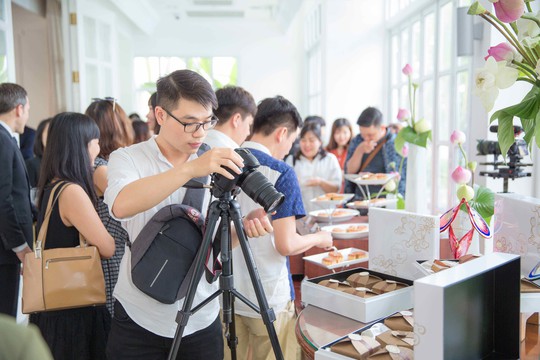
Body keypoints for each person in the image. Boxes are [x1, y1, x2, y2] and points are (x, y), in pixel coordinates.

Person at [104, 69, 272, 360]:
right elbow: (121, 204)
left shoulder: (216, 161)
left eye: (207, 122)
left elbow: (212, 243)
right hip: (138, 316)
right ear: (160, 115)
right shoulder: (128, 158)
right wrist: (192, 169)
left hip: (200, 317)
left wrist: (242, 229)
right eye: (189, 123)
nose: (200, 133)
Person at [230, 96, 333, 360]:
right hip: (268, 293)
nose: (290, 148)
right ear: (282, 133)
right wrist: (320, 237)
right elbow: (285, 244)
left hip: (227, 292)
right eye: (292, 140)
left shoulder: (225, 161)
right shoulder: (281, 173)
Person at [30, 112, 115, 360]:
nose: (98, 149)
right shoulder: (72, 191)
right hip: (73, 310)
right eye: (95, 142)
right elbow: (107, 247)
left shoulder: (52, 184)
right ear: (81, 145)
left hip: (55, 306)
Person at [85, 98, 133, 317]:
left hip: (116, 252)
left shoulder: (102, 165)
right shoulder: (101, 169)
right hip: (111, 256)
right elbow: (130, 203)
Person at [0, 83, 33, 317]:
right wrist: (20, 246)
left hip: (7, 246)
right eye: (28, 108)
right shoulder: (2, 140)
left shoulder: (6, 138)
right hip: (5, 249)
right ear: (19, 109)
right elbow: (2, 199)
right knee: (6, 320)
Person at [344, 107, 406, 200]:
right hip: (360, 199)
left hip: (386, 201)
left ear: (382, 128)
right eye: (362, 134)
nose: (366, 138)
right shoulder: (357, 141)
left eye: (370, 135)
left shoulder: (395, 143)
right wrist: (360, 150)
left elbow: (400, 178)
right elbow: (349, 171)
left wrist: (374, 178)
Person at [286, 123, 341, 213]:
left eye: (311, 140)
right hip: (300, 216)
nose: (307, 145)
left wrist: (320, 182)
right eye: (303, 140)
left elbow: (336, 189)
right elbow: (287, 190)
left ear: (320, 141)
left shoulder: (330, 159)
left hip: (327, 213)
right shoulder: (292, 160)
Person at [25, 118, 51, 189]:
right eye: (49, 131)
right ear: (40, 136)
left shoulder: (65, 165)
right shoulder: (31, 165)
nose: (53, 136)